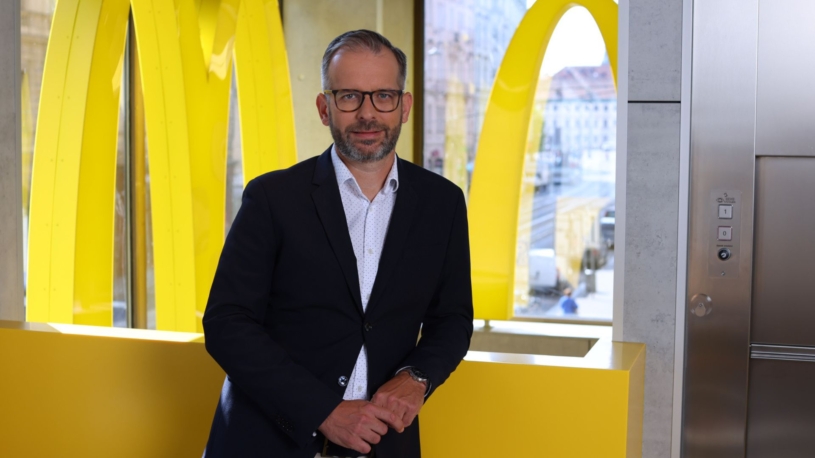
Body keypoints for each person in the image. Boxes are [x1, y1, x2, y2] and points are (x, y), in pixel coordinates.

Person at [201, 30, 474, 458]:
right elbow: (226, 323)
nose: (368, 113)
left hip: (383, 443)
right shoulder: (272, 198)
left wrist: (418, 376)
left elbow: (453, 319)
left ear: (404, 106)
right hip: (267, 442)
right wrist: (323, 410)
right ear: (324, 107)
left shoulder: (443, 203)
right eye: (349, 96)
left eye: (383, 96)